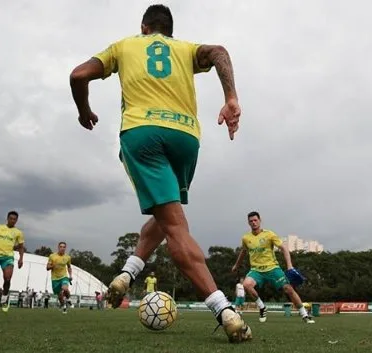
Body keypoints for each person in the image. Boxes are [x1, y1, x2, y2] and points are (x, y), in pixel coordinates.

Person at [69, 4, 247, 342]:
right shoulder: (184, 49)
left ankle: (224, 311)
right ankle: (128, 272)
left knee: (175, 226)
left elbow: (78, 75)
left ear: (144, 27)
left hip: (143, 133)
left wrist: (84, 110)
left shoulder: (124, 45)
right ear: (169, 30)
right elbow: (219, 52)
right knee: (169, 216)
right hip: (185, 138)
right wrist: (231, 97)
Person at [231, 211, 315, 324]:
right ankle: (262, 307)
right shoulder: (246, 238)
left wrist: (289, 265)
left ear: (260, 220)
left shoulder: (269, 234)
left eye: (255, 220)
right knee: (246, 285)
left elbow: (284, 248)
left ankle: (304, 314)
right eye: (251, 221)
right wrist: (237, 265)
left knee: (288, 289)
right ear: (248, 223)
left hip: (273, 268)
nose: (253, 223)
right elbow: (243, 251)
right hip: (256, 270)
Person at [0, 210, 25, 312]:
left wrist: (21, 259)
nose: (12, 220)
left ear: (16, 220)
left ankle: (4, 300)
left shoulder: (18, 233)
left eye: (14, 219)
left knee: (7, 279)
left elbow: (21, 247)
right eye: (11, 218)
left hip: (8, 258)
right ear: (7, 218)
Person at [47, 242, 73, 314]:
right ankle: (63, 305)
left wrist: (70, 275)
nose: (62, 248)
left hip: (64, 276)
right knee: (60, 295)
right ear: (58, 247)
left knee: (65, 288)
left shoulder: (68, 257)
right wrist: (52, 266)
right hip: (55, 279)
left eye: (64, 247)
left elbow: (69, 267)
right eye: (61, 247)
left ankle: (68, 300)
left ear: (65, 248)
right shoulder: (52, 256)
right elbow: (47, 267)